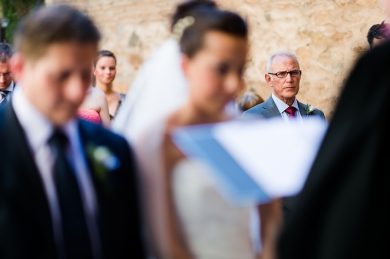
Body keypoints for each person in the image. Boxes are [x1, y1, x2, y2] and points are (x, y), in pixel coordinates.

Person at [0, 5, 145, 259]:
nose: (78, 91)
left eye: (83, 74)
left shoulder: (113, 148)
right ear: (21, 68)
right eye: (62, 75)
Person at [131, 1, 263, 258]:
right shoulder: (159, 140)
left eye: (241, 69)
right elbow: (167, 244)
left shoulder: (250, 131)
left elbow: (269, 223)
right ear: (185, 66)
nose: (235, 84)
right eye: (221, 69)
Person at [277, 28, 390, 259]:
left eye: (294, 72)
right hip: (280, 213)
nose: (289, 79)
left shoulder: (315, 114)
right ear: (268, 79)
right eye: (282, 74)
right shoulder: (254, 118)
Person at [93, 50, 125, 120]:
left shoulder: (125, 100)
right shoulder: (87, 98)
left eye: (112, 68)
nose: (108, 72)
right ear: (94, 70)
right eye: (102, 68)